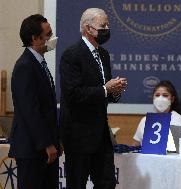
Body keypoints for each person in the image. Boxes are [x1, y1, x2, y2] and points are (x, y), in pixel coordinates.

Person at [59, 8, 127, 189]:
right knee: (77, 184)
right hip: (78, 134)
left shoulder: (103, 55)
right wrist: (106, 88)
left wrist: (115, 91)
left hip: (101, 133)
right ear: (88, 29)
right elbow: (73, 94)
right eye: (103, 25)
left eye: (108, 25)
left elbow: (104, 94)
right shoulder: (71, 55)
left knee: (107, 183)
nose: (107, 29)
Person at [8, 14, 59, 189]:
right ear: (34, 38)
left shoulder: (40, 63)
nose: (52, 38)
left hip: (44, 148)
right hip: (32, 149)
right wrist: (47, 143)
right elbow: (31, 111)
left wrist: (55, 140)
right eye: (48, 34)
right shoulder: (25, 66)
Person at [133, 80, 181, 151]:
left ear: (172, 99)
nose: (160, 98)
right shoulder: (145, 120)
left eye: (165, 95)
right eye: (157, 95)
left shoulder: (178, 120)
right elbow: (135, 145)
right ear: (153, 98)